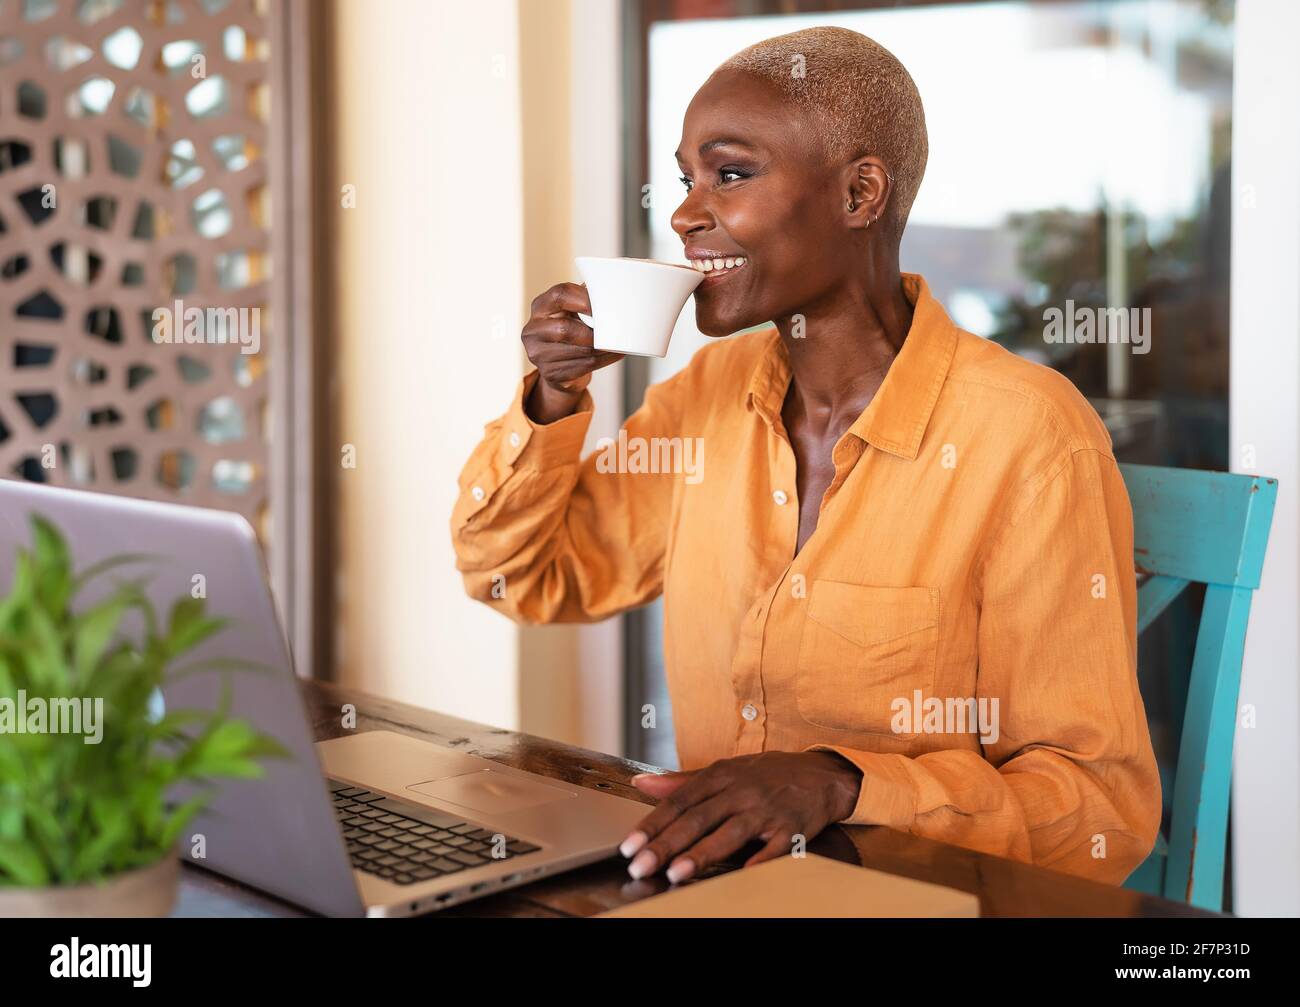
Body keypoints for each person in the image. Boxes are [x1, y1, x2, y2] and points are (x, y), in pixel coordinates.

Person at [451, 26, 1160, 887]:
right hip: (719, 890)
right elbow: (518, 575)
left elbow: (1097, 811)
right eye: (687, 179)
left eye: (732, 173)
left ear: (861, 192)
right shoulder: (707, 399)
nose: (683, 213)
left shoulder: (1030, 437)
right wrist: (554, 398)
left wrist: (842, 780)